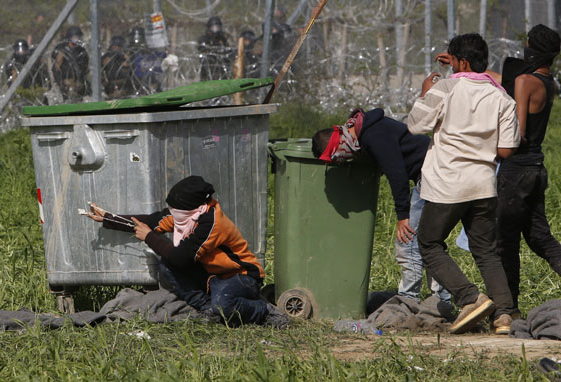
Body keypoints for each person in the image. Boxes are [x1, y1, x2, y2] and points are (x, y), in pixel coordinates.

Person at [407, 33, 520, 335]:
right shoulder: (502, 98)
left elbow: (415, 125)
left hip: (447, 184)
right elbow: (506, 150)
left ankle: (470, 298)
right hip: (483, 185)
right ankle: (504, 314)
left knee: (429, 243)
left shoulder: (444, 89)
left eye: (455, 61)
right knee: (486, 250)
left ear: (462, 62)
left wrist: (425, 92)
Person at [86, 175, 286, 327]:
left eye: (176, 210)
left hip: (240, 276)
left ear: (194, 208)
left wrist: (149, 237)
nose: (172, 214)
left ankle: (264, 310)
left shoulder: (212, 224)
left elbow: (181, 258)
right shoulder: (187, 215)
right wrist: (108, 218)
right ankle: (208, 309)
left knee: (223, 305)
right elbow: (151, 221)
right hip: (213, 277)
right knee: (167, 264)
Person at [311, 108, 451, 305]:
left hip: (431, 175)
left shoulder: (374, 136)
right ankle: (442, 300)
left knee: (407, 241)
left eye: (337, 158)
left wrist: (403, 216)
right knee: (428, 241)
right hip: (435, 172)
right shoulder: (363, 131)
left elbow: (397, 175)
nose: (342, 160)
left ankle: (409, 300)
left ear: (338, 146)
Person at [494, 24, 561, 316]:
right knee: (539, 238)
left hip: (516, 171)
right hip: (535, 169)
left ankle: (508, 309)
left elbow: (518, 132)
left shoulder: (524, 81)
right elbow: (503, 80)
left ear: (534, 50)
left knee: (505, 240)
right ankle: (509, 307)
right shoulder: (549, 82)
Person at [51, 26, 89, 101]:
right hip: (66, 83)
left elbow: (85, 69)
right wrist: (61, 84)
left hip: (78, 84)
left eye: (78, 37)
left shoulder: (81, 51)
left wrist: (82, 83)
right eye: (75, 38)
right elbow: (56, 69)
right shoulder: (62, 50)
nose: (77, 40)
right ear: (70, 38)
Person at [126, 25, 165, 94]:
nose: (137, 40)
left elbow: (154, 60)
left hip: (147, 78)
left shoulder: (147, 50)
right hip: (132, 80)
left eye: (139, 37)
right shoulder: (127, 51)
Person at [198, 16, 231, 81]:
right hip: (209, 65)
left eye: (217, 27)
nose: (216, 30)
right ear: (209, 28)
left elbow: (228, 49)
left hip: (221, 64)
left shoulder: (222, 39)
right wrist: (209, 50)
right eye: (214, 28)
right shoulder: (205, 38)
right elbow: (201, 47)